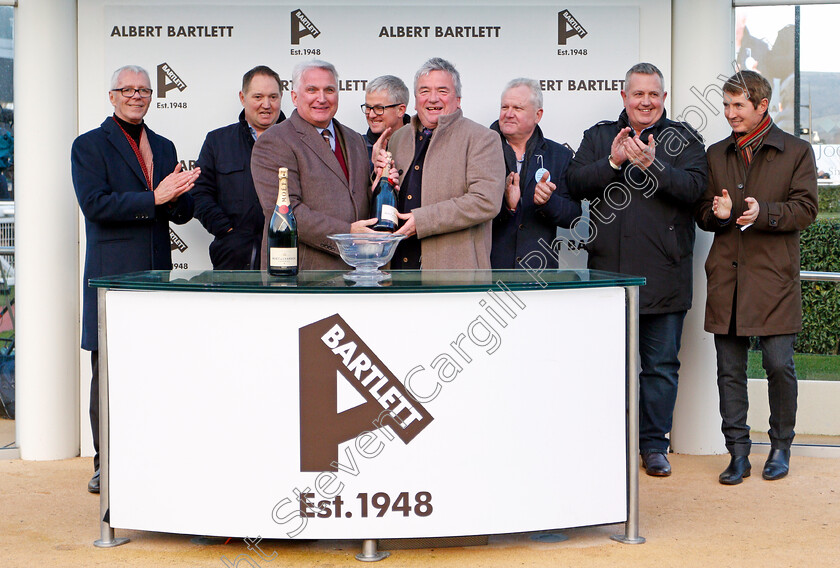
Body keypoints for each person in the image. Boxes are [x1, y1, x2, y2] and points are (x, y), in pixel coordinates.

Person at [566, 62, 707, 477]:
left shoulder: (684, 139)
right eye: (637, 94)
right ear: (624, 97)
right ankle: (613, 441)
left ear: (664, 98)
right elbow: (574, 182)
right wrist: (611, 163)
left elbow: (695, 190)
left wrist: (653, 166)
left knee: (661, 367)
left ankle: (653, 446)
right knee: (611, 366)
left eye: (653, 94)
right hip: (610, 276)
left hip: (666, 275)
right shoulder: (598, 136)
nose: (645, 101)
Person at [71, 65, 199, 493]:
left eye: (143, 90)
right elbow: (96, 205)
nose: (136, 96)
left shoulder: (163, 146)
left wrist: (182, 195)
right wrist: (155, 197)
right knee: (107, 372)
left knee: (155, 369)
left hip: (158, 277)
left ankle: (152, 454)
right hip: (112, 277)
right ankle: (105, 464)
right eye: (127, 89)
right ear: (111, 96)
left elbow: (177, 212)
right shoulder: (89, 145)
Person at [695, 70, 818, 485]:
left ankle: (781, 446)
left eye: (738, 106)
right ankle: (739, 453)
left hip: (773, 279)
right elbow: (703, 213)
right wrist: (718, 213)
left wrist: (761, 213)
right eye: (726, 105)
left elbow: (806, 209)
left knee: (778, 365)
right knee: (728, 370)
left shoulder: (797, 151)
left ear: (762, 105)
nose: (730, 113)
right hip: (727, 279)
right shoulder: (715, 154)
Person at [251, 60, 378, 270]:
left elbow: (359, 199)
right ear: (294, 97)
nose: (322, 98)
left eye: (329, 90)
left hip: (357, 272)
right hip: (303, 275)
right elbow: (286, 213)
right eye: (312, 90)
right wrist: (347, 234)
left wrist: (381, 183)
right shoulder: (274, 141)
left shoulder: (355, 139)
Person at [385, 57, 505, 269]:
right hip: (397, 270)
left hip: (454, 277)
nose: (432, 99)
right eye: (424, 91)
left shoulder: (482, 138)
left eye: (442, 91)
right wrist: (378, 180)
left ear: (458, 99)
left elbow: (485, 201)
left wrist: (422, 221)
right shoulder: (397, 138)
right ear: (415, 99)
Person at [192, 65, 286, 269]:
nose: (266, 104)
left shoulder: (298, 142)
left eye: (273, 97)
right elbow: (199, 192)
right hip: (233, 259)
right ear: (243, 98)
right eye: (258, 97)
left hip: (288, 255)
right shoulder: (217, 141)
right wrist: (226, 231)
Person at [489, 78, 581, 269]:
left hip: (539, 275)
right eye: (504, 107)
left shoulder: (559, 155)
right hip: (490, 271)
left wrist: (549, 202)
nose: (508, 114)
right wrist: (507, 206)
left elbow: (574, 216)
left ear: (538, 115)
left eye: (518, 108)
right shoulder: (481, 150)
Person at [361, 75, 410, 162]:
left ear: (400, 110)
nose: (371, 115)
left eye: (379, 108)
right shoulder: (356, 148)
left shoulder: (420, 145)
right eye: (368, 107)